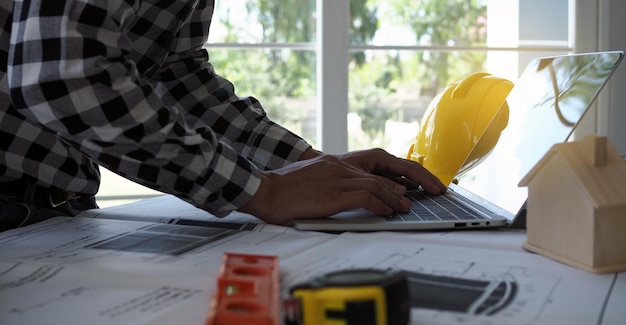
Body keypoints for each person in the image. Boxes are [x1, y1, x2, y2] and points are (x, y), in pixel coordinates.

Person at [0, 0, 446, 232]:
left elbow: (174, 72)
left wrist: (312, 165)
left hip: (52, 213)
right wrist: (262, 191)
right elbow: (61, 74)